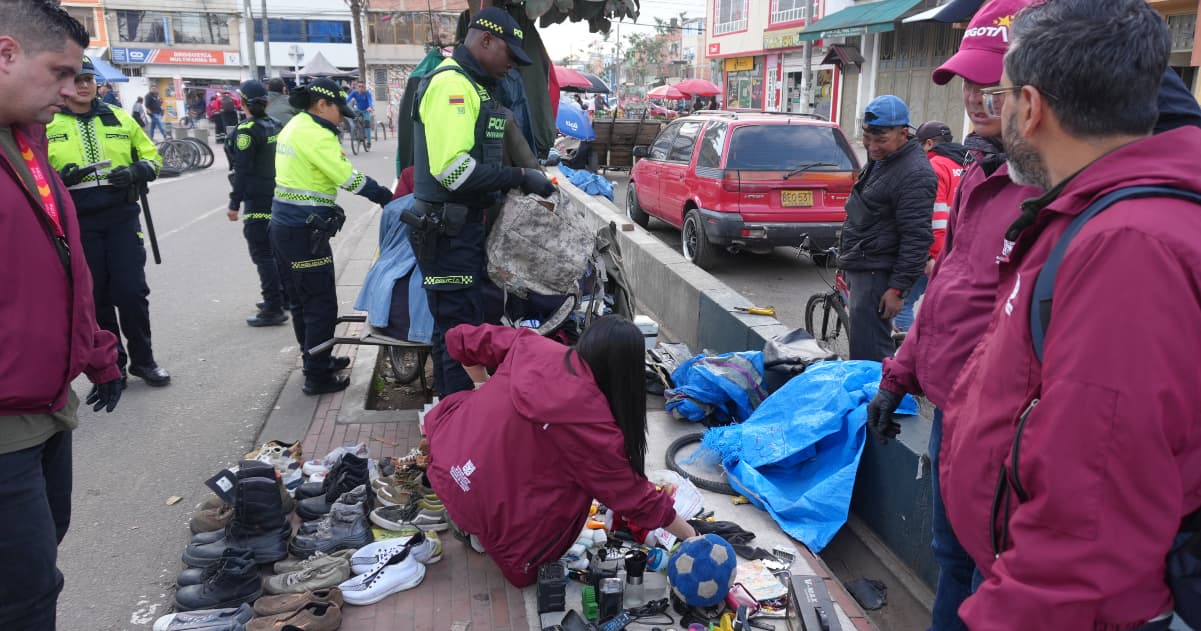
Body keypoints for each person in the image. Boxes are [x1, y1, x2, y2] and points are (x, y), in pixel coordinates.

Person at [939, 1, 1201, 628]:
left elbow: (1089, 521)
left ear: (1029, 107)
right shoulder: (1092, 215)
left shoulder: (1128, 247)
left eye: (999, 93)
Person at [865, 3, 1036, 628]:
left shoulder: (1050, 191)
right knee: (950, 559)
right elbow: (946, 293)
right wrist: (898, 375)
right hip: (952, 416)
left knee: (990, 576)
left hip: (1007, 432)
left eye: (992, 87)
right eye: (969, 84)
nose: (975, 100)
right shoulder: (975, 176)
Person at [0, 3, 123, 627]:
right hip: (5, 426)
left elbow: (61, 271)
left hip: (47, 407)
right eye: (61, 72)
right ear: (5, 54)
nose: (73, 89)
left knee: (39, 570)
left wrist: (100, 354)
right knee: (23, 597)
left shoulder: (28, 141)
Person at [424, 317, 699, 587]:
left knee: (488, 418)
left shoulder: (532, 345)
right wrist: (690, 535)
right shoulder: (595, 425)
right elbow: (634, 497)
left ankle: (468, 513)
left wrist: (483, 386)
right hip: (489, 512)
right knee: (570, 496)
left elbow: (459, 338)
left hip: (448, 459)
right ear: (626, 373)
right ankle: (480, 528)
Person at [409, 7, 556, 397]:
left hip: (462, 230)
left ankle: (454, 423)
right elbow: (453, 172)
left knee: (464, 331)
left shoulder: (477, 87)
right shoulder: (452, 86)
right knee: (458, 337)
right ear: (486, 40)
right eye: (509, 55)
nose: (511, 67)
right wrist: (520, 178)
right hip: (445, 232)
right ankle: (455, 428)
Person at [47, 55, 169, 388]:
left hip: (122, 218)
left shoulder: (119, 118)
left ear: (96, 83)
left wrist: (136, 171)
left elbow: (151, 157)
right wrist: (58, 178)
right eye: (75, 79)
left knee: (131, 293)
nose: (83, 85)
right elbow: (34, 173)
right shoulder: (48, 122)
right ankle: (113, 365)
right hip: (78, 223)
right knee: (96, 296)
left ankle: (144, 361)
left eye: (88, 79)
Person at [271, 78, 393, 395]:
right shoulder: (316, 134)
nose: (342, 117)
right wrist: (385, 197)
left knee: (301, 301)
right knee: (320, 304)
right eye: (339, 110)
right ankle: (318, 376)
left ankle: (315, 357)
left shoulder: (294, 124)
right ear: (322, 104)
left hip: (284, 226)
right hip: (303, 230)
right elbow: (347, 177)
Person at [838, 94, 935, 361]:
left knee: (871, 355)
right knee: (862, 348)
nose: (872, 146)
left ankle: (877, 402)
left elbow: (916, 238)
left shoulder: (915, 173)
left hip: (878, 275)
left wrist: (897, 290)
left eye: (880, 139)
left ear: (903, 133)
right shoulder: (884, 157)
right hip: (864, 264)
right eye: (867, 138)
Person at [893, 121, 967, 334]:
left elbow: (936, 218)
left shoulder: (934, 167)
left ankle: (907, 358)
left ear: (930, 143)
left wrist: (932, 257)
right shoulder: (966, 165)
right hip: (959, 254)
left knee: (902, 304)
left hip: (937, 254)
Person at [225, 79, 288, 328]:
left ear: (242, 103)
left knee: (262, 253)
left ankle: (273, 306)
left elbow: (242, 170)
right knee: (274, 251)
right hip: (278, 195)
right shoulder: (276, 126)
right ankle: (282, 297)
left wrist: (233, 203)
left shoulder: (247, 130)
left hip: (257, 199)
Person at [346, 80, 373, 145]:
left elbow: (370, 101)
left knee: (367, 124)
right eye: (359, 86)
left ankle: (369, 141)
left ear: (364, 87)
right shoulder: (354, 92)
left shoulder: (367, 93)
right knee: (353, 117)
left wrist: (370, 107)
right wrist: (342, 104)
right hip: (358, 110)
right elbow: (348, 99)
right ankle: (357, 131)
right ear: (357, 87)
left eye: (362, 86)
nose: (360, 88)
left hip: (366, 110)